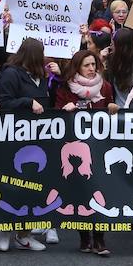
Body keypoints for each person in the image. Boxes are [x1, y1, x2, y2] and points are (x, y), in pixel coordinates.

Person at [54, 50, 118, 255]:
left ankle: (99, 238)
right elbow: (55, 114)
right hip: (76, 149)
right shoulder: (65, 87)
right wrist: (65, 108)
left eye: (94, 65)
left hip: (100, 147)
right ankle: (84, 238)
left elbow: (111, 108)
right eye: (87, 65)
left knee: (100, 190)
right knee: (81, 192)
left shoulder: (106, 86)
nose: (92, 69)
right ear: (77, 67)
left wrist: (112, 106)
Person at [0, 38, 52, 253]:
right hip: (15, 138)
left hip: (38, 139)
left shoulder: (41, 75)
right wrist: (27, 103)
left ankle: (24, 235)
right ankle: (5, 231)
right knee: (12, 187)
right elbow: (3, 102)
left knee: (32, 188)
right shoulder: (11, 74)